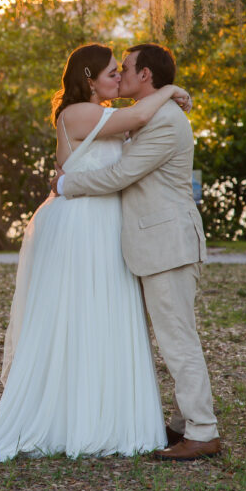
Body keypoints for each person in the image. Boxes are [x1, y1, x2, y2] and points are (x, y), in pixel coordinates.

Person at [0, 44, 192, 462]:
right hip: (82, 224)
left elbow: (136, 132)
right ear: (89, 78)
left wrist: (166, 97)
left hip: (103, 223)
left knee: (105, 315)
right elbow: (136, 117)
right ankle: (76, 417)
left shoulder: (102, 115)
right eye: (111, 73)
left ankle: (110, 412)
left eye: (123, 72)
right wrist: (172, 90)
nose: (119, 78)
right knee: (80, 316)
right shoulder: (78, 113)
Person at [55, 43, 221, 462]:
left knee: (178, 339)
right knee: (171, 337)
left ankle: (203, 432)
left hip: (168, 245)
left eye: (125, 68)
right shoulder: (140, 118)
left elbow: (123, 174)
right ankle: (182, 423)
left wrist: (65, 185)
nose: (121, 75)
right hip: (152, 245)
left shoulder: (163, 119)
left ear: (145, 75)